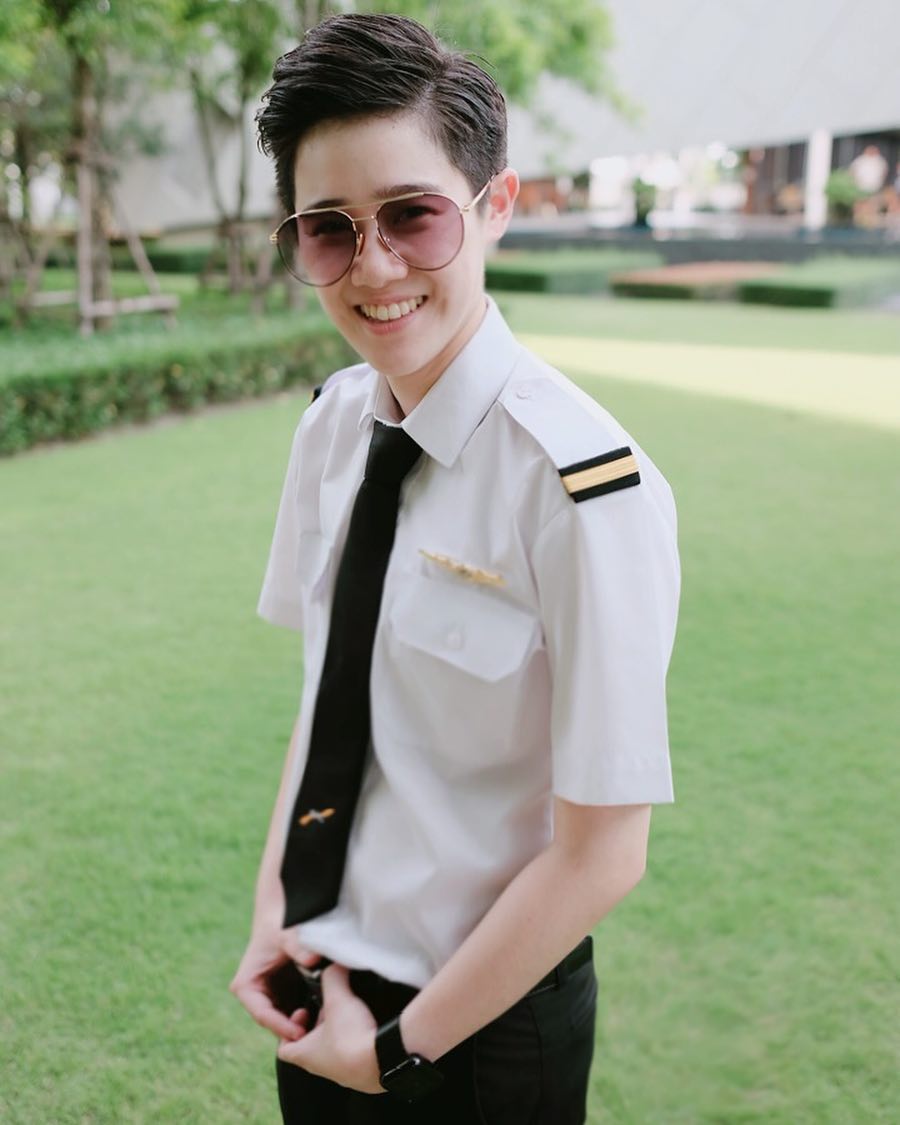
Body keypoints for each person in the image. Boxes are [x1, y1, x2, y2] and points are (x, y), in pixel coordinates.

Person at [229, 13, 680, 1124]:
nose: (374, 267)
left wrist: (400, 1051)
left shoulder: (583, 487)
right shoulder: (332, 427)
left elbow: (604, 854)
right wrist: (275, 916)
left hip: (480, 1029)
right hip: (320, 980)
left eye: (412, 216)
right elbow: (326, 702)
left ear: (496, 207)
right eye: (329, 230)